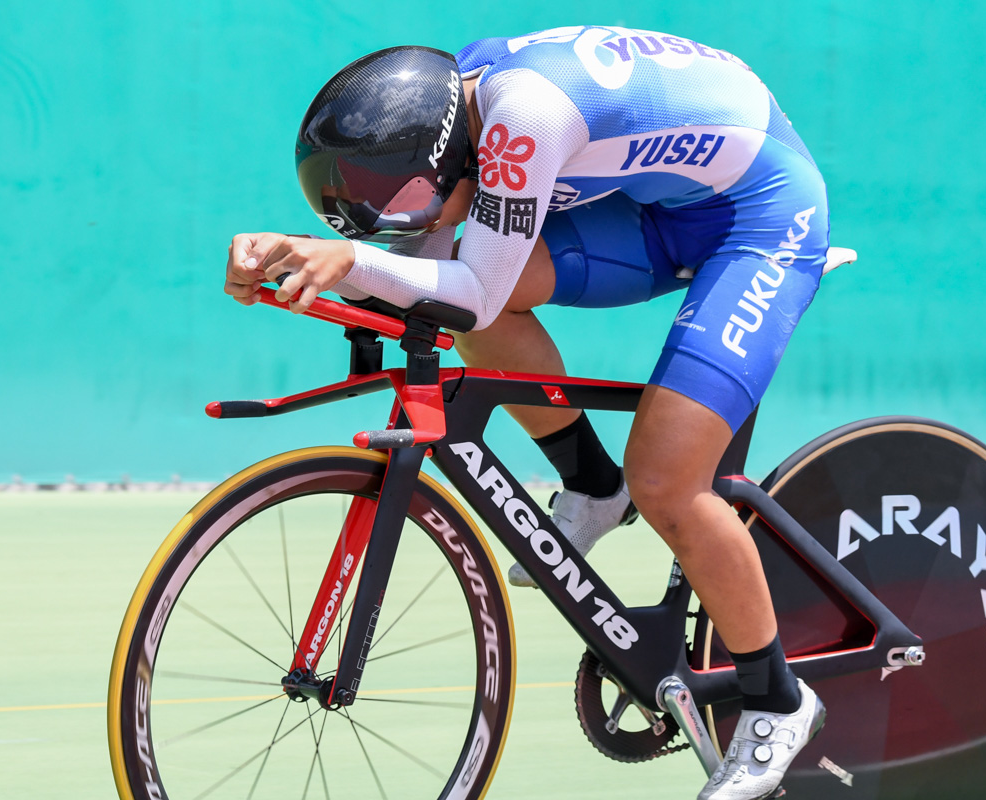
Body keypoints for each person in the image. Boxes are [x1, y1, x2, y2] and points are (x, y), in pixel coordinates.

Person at [224, 26, 826, 800]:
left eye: (400, 196)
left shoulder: (522, 119)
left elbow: (470, 295)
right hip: (659, 207)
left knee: (670, 481)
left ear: (440, 157)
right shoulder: (457, 100)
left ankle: (778, 701)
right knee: (458, 284)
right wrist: (305, 252)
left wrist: (347, 263)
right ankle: (591, 484)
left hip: (761, 217)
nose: (392, 218)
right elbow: (434, 267)